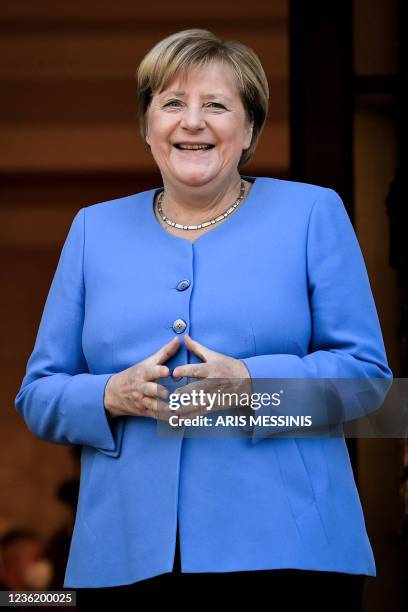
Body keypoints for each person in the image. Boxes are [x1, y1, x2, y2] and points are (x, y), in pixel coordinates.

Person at [14, 29, 392, 611]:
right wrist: (110, 394)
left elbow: (369, 381)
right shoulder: (93, 229)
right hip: (124, 554)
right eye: (172, 103)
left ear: (249, 130)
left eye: (216, 104)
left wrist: (253, 387)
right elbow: (38, 394)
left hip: (289, 550)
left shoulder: (312, 212)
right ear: (147, 127)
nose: (193, 122)